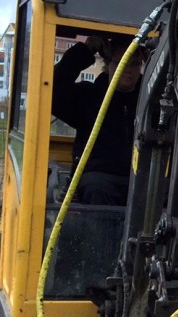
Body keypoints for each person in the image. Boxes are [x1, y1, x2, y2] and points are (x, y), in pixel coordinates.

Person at [52, 35, 145, 205]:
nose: (128, 69)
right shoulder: (89, 97)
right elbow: (53, 90)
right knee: (97, 188)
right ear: (107, 65)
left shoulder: (151, 102)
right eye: (121, 62)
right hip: (98, 177)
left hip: (140, 177)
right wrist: (84, 52)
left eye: (135, 64)